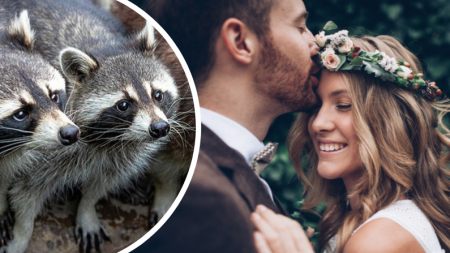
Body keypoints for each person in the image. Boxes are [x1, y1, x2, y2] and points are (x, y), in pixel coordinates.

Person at [130, 0, 320, 252]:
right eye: (300, 27)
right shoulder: (201, 198)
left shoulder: (224, 171)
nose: (315, 45)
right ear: (241, 42)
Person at [251, 33, 450, 253]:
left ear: (390, 122)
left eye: (343, 105)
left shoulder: (378, 240)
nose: (318, 124)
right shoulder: (364, 221)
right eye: (315, 107)